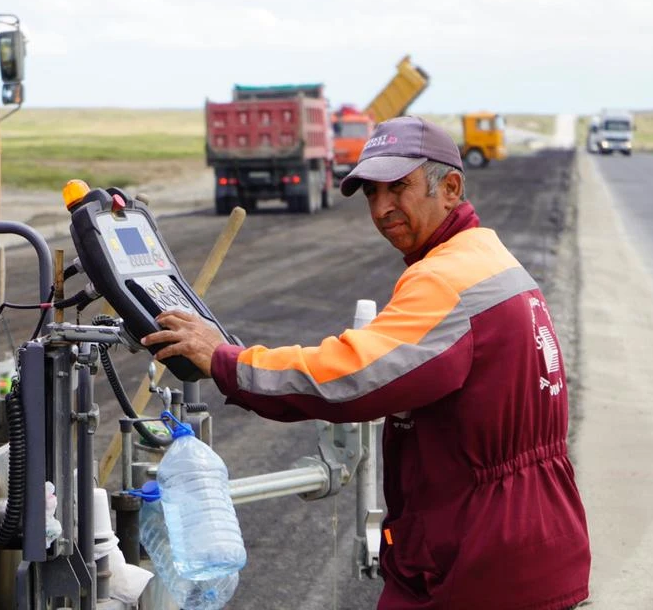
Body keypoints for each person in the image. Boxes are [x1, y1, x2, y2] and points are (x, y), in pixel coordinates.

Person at [143, 117, 590, 610]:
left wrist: (226, 361)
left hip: (481, 555)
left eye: (398, 187)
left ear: (450, 188)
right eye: (371, 193)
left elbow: (351, 376)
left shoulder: (446, 279)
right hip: (534, 534)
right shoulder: (490, 257)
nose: (381, 209)